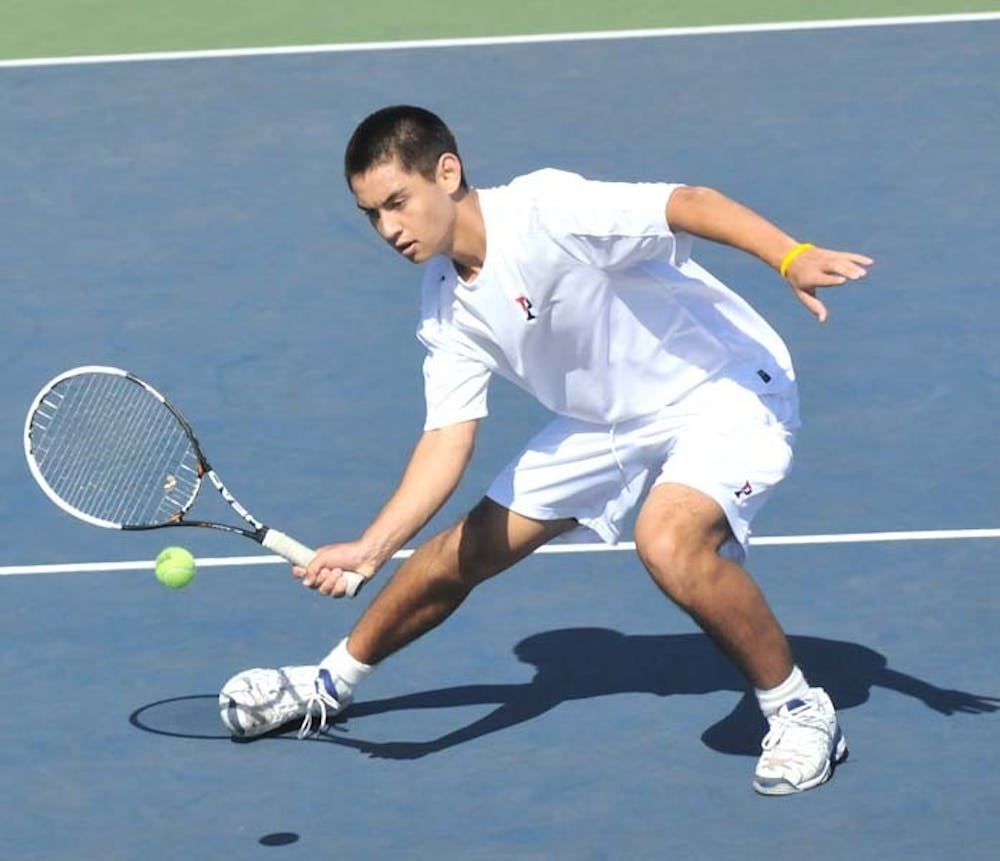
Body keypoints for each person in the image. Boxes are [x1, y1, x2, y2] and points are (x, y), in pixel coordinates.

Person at [219, 105, 872, 796]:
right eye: (371, 214)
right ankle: (329, 682)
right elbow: (448, 437)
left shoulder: (546, 210)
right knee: (459, 553)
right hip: (603, 419)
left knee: (669, 539)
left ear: (448, 172)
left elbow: (687, 204)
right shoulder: (443, 302)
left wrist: (790, 256)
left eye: (397, 203)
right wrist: (372, 546)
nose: (388, 229)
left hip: (720, 387)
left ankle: (798, 707)